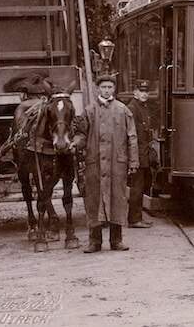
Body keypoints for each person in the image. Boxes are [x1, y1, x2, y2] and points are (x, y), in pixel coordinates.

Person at [71, 73, 138, 253]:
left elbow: (132, 137)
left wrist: (133, 161)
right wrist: (75, 143)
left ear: (114, 89)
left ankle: (116, 240)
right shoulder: (89, 111)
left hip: (117, 163)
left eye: (109, 87)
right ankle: (95, 241)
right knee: (94, 200)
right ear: (97, 89)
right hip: (94, 163)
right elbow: (81, 134)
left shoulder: (123, 110)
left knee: (117, 199)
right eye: (103, 87)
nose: (107, 90)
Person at [126, 79, 155, 228]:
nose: (144, 94)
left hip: (143, 153)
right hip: (136, 154)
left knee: (141, 186)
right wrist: (133, 157)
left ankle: (138, 217)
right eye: (141, 91)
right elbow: (131, 135)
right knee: (136, 188)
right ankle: (134, 219)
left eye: (146, 91)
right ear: (135, 92)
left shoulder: (143, 107)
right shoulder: (132, 108)